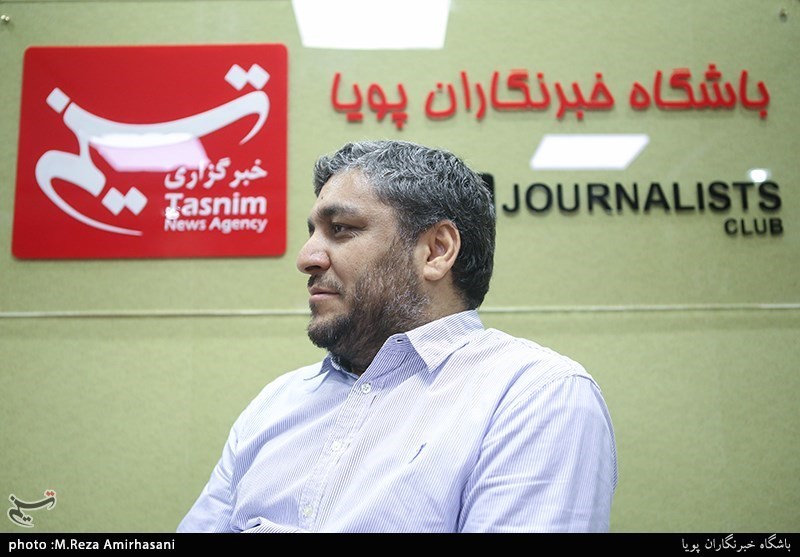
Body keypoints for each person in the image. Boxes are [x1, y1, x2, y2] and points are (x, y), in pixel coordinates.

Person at [177, 139, 617, 533]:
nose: (306, 257)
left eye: (341, 229)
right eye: (312, 232)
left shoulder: (535, 396)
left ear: (436, 251)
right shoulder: (275, 404)